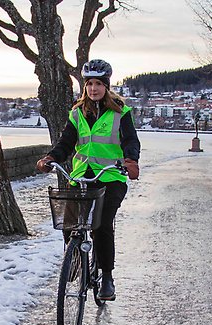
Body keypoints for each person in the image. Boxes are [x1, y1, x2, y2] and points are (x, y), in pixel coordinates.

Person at [36, 59, 140, 301]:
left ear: (106, 85)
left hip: (111, 177)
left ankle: (106, 276)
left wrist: (131, 160)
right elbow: (66, 142)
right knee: (69, 221)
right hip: (81, 177)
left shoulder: (120, 113)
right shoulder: (76, 113)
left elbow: (130, 141)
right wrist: (51, 157)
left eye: (98, 84)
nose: (93, 88)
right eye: (89, 84)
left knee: (102, 224)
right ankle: (74, 260)